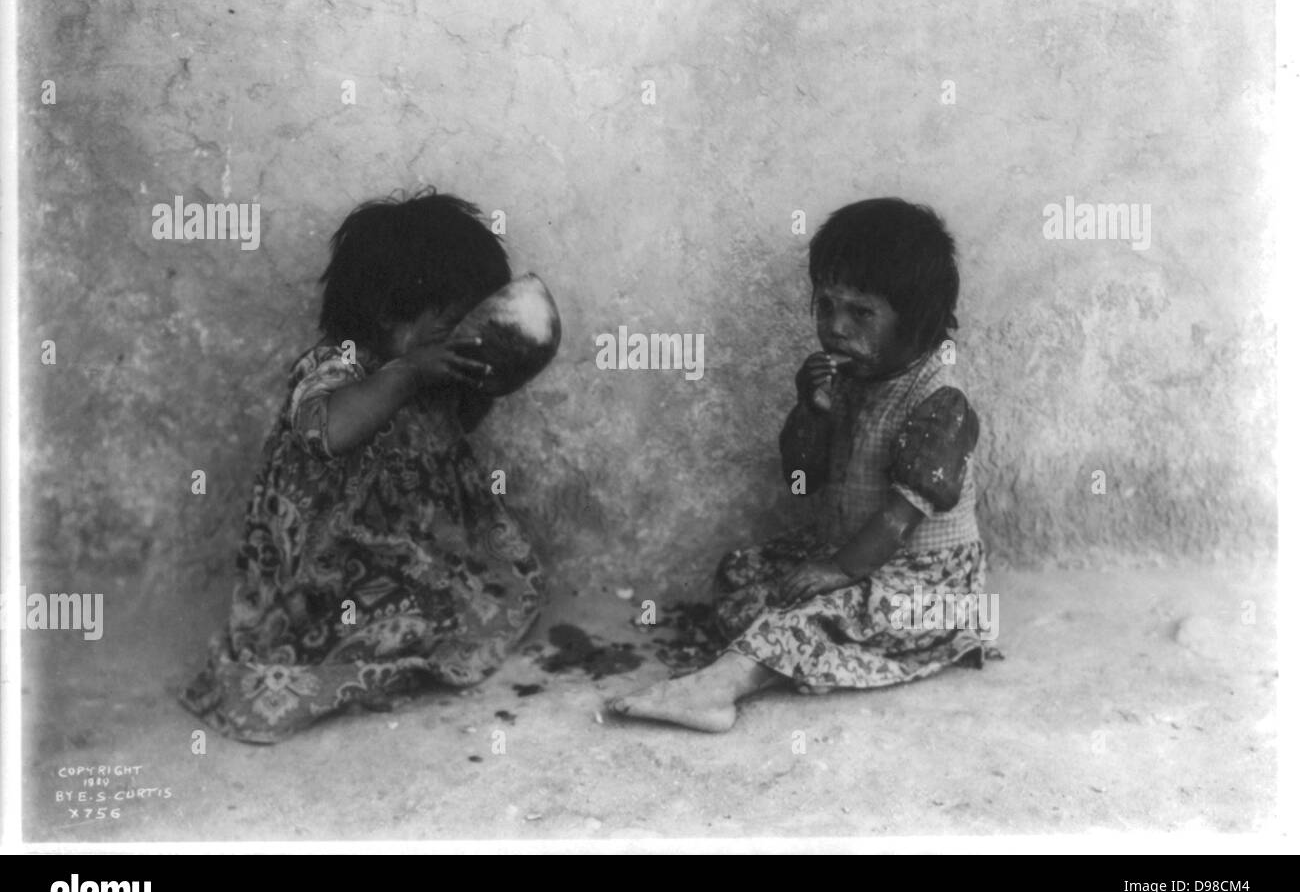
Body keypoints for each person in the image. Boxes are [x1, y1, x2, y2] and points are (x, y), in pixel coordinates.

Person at [610, 198, 991, 732]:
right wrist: (812, 414)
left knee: (806, 614)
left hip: (921, 582)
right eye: (826, 305)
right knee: (741, 573)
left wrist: (835, 572)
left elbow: (899, 519)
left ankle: (719, 692)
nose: (835, 328)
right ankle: (773, 657)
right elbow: (803, 479)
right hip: (853, 550)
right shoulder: (853, 376)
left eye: (861, 313)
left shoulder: (939, 401)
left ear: (917, 321)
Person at [181, 190, 543, 743]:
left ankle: (404, 641)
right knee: (319, 637)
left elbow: (450, 432)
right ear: (389, 315)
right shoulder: (339, 365)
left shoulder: (437, 366)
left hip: (411, 545)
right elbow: (331, 432)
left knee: (486, 597)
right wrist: (408, 374)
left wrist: (492, 375)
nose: (465, 336)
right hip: (329, 560)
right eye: (453, 325)